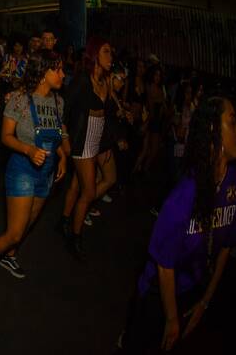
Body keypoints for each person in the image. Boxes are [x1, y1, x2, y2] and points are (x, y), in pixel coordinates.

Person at [119, 96, 236, 352]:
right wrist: (171, 319)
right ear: (213, 130)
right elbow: (164, 266)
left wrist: (205, 301)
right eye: (233, 122)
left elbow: (226, 246)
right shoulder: (185, 194)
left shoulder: (232, 183)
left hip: (193, 292)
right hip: (158, 296)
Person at [0, 50, 67, 296]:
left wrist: (63, 157)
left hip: (46, 174)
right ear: (43, 73)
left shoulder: (59, 102)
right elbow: (5, 137)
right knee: (15, 232)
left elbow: (61, 131)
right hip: (22, 170)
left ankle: (10, 257)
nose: (62, 74)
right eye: (57, 69)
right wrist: (28, 149)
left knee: (28, 224)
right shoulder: (19, 99)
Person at [59, 37, 115, 260]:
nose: (110, 57)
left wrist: (107, 142)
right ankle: (75, 235)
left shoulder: (106, 80)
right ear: (95, 55)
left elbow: (106, 115)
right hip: (82, 142)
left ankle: (65, 220)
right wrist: (65, 142)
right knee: (89, 192)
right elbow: (64, 109)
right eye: (106, 52)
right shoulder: (83, 79)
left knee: (79, 184)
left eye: (111, 53)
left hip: (97, 140)